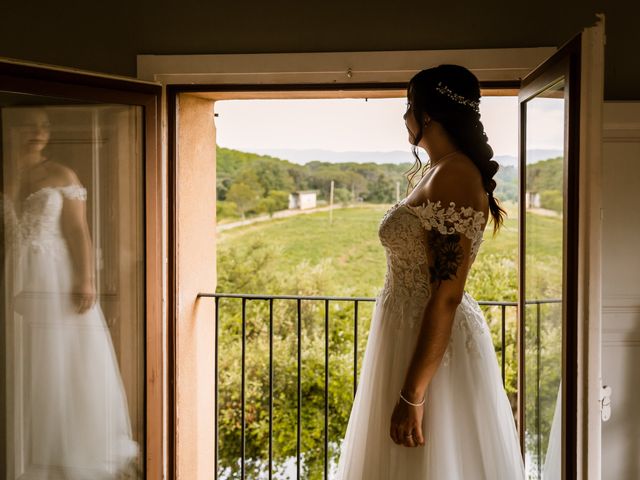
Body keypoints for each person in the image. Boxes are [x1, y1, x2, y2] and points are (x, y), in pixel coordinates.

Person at [335, 65, 525, 479]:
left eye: (409, 106)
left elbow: (447, 293)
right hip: (403, 328)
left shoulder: (455, 175)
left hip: (430, 335)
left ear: (428, 117)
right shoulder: (438, 169)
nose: (404, 117)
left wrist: (413, 396)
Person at [3, 107, 138, 479]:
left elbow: (78, 230)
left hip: (54, 276)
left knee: (58, 357)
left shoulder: (60, 173)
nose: (38, 131)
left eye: (44, 125)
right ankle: (21, 445)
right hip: (12, 273)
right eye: (30, 125)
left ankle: (66, 451)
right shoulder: (6, 173)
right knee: (19, 355)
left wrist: (85, 279)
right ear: (12, 130)